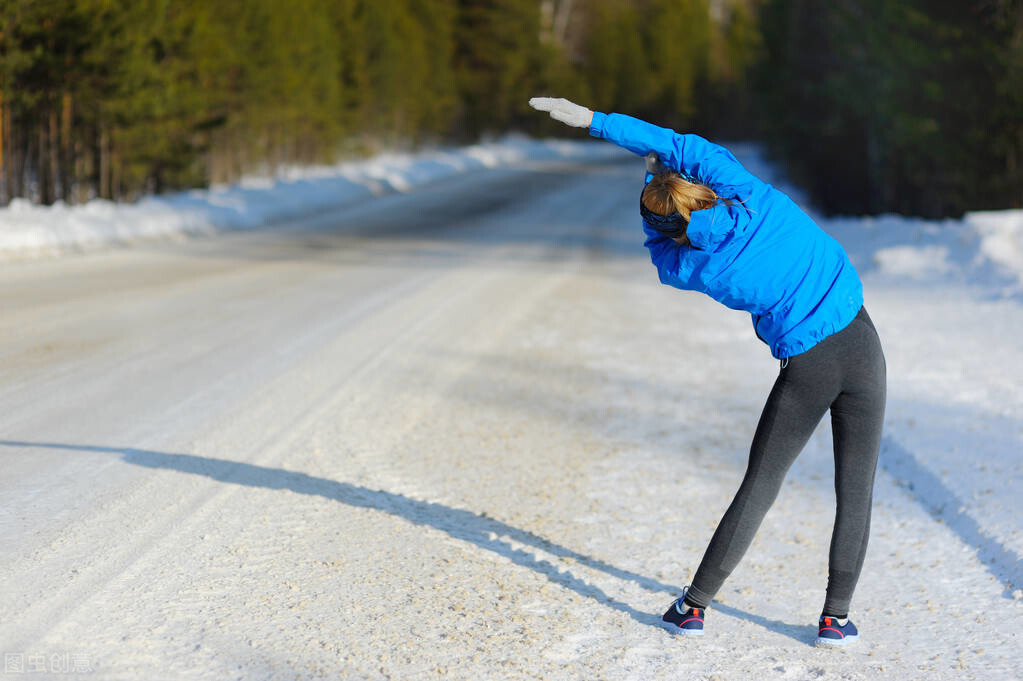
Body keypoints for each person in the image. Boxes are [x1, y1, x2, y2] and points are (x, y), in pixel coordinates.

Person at [529, 97, 886, 647]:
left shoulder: (688, 265)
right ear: (704, 188)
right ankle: (835, 620)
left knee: (761, 484)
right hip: (864, 346)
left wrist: (652, 207)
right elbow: (677, 144)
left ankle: (692, 608)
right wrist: (602, 124)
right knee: (855, 489)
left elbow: (659, 248)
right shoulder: (751, 196)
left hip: (807, 366)